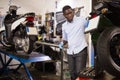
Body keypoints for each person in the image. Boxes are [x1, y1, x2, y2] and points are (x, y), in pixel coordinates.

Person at [59, 5, 89, 80]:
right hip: (70, 52)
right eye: (67, 14)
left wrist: (90, 20)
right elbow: (65, 39)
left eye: (70, 12)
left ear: (73, 11)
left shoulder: (81, 20)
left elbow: (90, 25)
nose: (70, 15)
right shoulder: (64, 26)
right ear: (64, 15)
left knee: (80, 73)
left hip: (81, 50)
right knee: (72, 73)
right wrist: (62, 43)